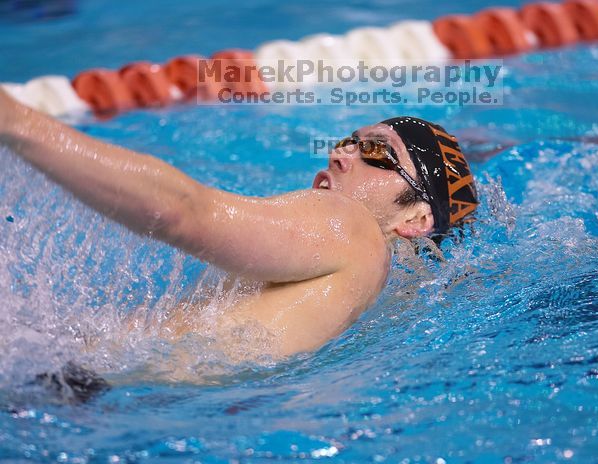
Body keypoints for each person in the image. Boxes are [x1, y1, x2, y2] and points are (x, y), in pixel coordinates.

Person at [0, 89, 478, 360]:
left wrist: (18, 122)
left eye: (375, 151)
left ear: (416, 218)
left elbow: (183, 212)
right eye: (348, 141)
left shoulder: (350, 227)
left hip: (68, 375)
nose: (340, 153)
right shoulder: (371, 289)